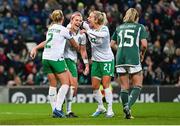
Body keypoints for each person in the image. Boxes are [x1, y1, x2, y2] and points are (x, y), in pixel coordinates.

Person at [30, 9, 79, 118]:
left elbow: (47, 41)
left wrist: (36, 48)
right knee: (66, 83)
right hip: (56, 58)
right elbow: (75, 45)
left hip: (45, 57)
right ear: (62, 19)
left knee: (53, 84)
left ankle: (54, 110)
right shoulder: (63, 30)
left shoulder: (50, 29)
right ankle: (57, 108)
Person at [111, 8, 148, 119]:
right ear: (136, 17)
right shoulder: (140, 27)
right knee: (137, 85)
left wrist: (121, 49)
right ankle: (128, 107)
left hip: (120, 58)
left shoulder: (119, 28)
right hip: (133, 58)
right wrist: (142, 54)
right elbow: (144, 45)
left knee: (124, 87)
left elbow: (111, 44)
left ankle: (127, 113)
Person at [81, 10, 114, 117]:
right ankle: (101, 107)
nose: (88, 19)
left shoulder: (104, 29)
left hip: (107, 60)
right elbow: (76, 22)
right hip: (96, 61)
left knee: (105, 85)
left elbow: (99, 34)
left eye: (90, 17)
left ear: (96, 20)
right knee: (95, 86)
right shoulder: (88, 27)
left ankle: (110, 110)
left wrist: (87, 32)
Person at [64, 12, 89, 117]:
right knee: (69, 85)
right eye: (76, 20)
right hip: (63, 59)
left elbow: (83, 51)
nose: (78, 22)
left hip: (73, 60)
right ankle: (68, 111)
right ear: (71, 21)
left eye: (80, 21)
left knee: (73, 89)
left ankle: (60, 105)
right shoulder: (66, 30)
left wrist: (86, 65)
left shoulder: (82, 35)